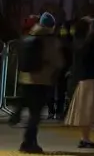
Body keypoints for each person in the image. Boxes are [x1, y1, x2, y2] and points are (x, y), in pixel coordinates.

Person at [14, 12, 64, 154]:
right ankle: (28, 143)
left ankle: (30, 140)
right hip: (41, 81)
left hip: (25, 80)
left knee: (32, 114)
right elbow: (58, 62)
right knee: (35, 115)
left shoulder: (29, 36)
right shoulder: (49, 40)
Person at [66, 18, 94, 149]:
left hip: (83, 78)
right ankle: (85, 138)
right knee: (88, 111)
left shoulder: (81, 42)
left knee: (85, 110)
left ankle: (84, 138)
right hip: (92, 78)